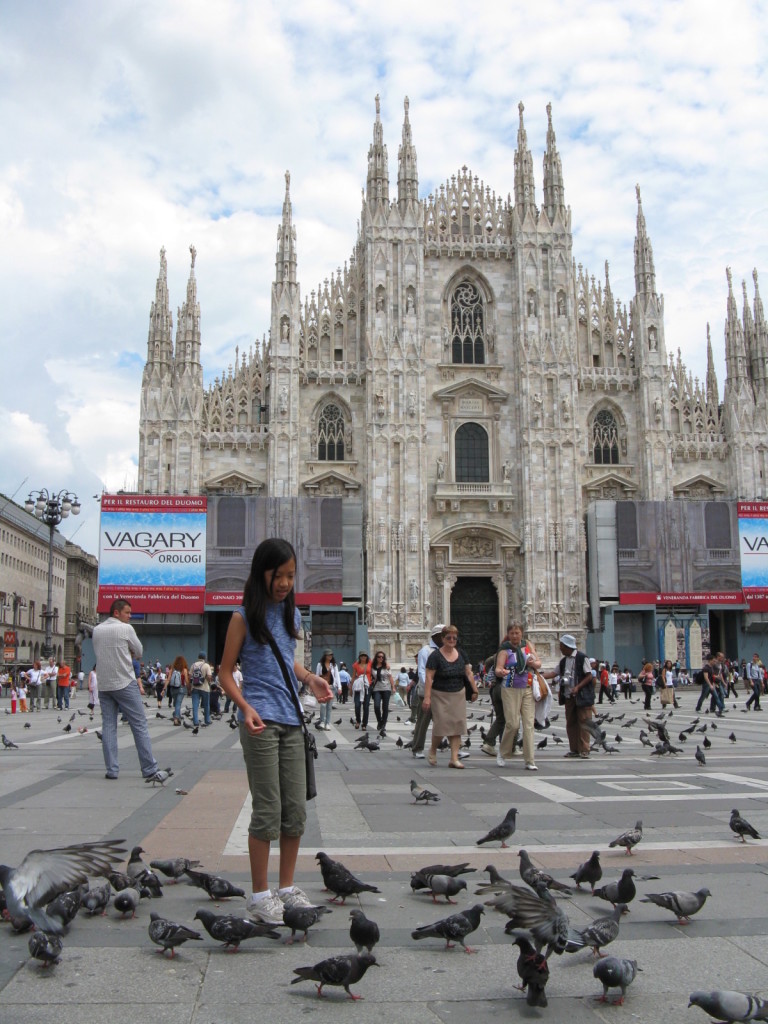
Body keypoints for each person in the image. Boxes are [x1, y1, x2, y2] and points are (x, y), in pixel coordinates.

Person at [217, 537, 333, 926]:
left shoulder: (291, 615)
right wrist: (245, 707)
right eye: (278, 575)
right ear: (261, 573)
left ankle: (286, 887)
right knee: (267, 810)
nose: (285, 583)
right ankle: (260, 895)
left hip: (292, 720)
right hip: (260, 722)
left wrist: (312, 678)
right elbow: (224, 672)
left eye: (290, 576)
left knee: (295, 810)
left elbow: (290, 663)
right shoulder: (241, 618)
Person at [91, 598, 164, 782]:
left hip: (105, 684)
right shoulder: (126, 629)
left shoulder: (97, 630)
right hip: (125, 682)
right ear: (117, 612)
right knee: (139, 724)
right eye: (127, 613)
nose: (130, 616)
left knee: (108, 726)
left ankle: (112, 769)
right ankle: (149, 768)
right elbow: (139, 651)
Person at [424, 624, 478, 768]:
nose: (452, 640)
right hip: (440, 694)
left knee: (457, 726)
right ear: (442, 638)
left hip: (458, 693)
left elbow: (468, 672)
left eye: (454, 637)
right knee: (441, 726)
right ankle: (433, 749)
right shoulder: (435, 656)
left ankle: (454, 759)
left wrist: (474, 690)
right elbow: (429, 677)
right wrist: (427, 697)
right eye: (449, 637)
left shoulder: (461, 653)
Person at [495, 622, 541, 771]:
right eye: (512, 633)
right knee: (513, 724)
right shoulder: (505, 650)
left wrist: (533, 662)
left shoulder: (527, 646)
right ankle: (503, 752)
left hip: (527, 687)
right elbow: (498, 668)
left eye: (517, 633)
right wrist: (501, 672)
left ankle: (530, 760)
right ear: (508, 634)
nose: (515, 636)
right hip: (510, 688)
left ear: (521, 633)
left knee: (528, 724)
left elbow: (538, 663)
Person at [553, 633, 594, 759]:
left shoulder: (582, 658)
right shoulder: (564, 661)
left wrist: (578, 687)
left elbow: (589, 675)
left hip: (581, 696)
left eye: (561, 646)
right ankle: (574, 749)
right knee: (571, 722)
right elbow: (554, 673)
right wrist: (537, 674)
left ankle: (585, 749)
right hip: (569, 696)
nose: (560, 648)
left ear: (568, 646)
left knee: (584, 722)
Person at [411, 625, 444, 758]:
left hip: (443, 691)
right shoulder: (426, 650)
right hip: (427, 692)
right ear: (435, 636)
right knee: (423, 720)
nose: (445, 638)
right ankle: (417, 748)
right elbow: (421, 671)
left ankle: (456, 748)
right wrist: (429, 690)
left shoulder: (446, 650)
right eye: (443, 635)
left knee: (447, 720)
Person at [370, 650, 395, 736]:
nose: (381, 658)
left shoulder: (387, 667)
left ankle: (383, 724)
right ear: (376, 658)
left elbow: (390, 677)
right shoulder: (372, 667)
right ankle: (379, 721)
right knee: (376, 706)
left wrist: (393, 687)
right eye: (379, 657)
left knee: (385, 707)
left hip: (386, 688)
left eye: (382, 657)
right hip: (376, 688)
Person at [315, 650, 340, 729]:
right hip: (322, 687)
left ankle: (328, 723)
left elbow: (337, 676)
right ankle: (322, 721)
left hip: (331, 687)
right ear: (325, 656)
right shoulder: (320, 664)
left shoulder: (334, 665)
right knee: (323, 705)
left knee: (329, 706)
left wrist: (339, 687)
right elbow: (317, 676)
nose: (330, 656)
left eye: (331, 655)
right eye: (328, 655)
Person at [188, 651, 212, 727]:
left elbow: (189, 676)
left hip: (195, 687)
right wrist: (208, 681)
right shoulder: (206, 665)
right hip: (205, 688)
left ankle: (195, 721)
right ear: (205, 657)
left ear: (198, 657)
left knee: (195, 705)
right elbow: (209, 676)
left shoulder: (193, 665)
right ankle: (207, 720)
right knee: (206, 705)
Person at [351, 651, 372, 729]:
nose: (363, 657)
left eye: (365, 656)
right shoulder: (356, 665)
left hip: (367, 686)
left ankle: (364, 724)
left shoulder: (370, 663)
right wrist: (350, 688)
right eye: (362, 656)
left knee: (366, 706)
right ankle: (358, 720)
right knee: (357, 705)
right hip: (358, 687)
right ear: (359, 657)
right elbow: (353, 676)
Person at [168, 656, 188, 724]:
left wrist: (164, 689)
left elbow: (168, 679)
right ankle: (176, 718)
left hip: (173, 689)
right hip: (181, 688)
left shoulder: (172, 669)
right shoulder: (184, 670)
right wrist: (189, 688)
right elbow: (187, 681)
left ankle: (177, 716)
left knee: (176, 703)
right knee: (178, 704)